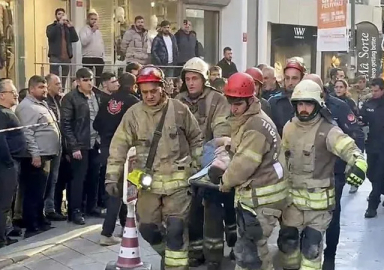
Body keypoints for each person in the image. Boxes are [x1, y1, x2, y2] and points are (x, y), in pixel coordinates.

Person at [105, 65, 203, 270]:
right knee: (148, 229)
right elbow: (119, 146)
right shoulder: (133, 114)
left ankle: (176, 266)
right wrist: (112, 177)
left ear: (162, 88)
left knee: (176, 229)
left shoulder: (178, 110)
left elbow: (196, 138)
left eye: (153, 91)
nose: (149, 96)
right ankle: (169, 256)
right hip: (147, 185)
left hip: (177, 184)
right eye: (144, 92)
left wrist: (196, 167)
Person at [278, 80, 367, 270]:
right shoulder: (289, 128)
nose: (303, 108)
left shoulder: (329, 130)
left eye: (308, 104)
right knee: (288, 247)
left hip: (317, 209)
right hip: (292, 204)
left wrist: (359, 165)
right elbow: (280, 160)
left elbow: (351, 149)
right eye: (300, 104)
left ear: (318, 104)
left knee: (311, 250)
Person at [218, 72, 287, 270]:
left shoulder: (256, 125)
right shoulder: (250, 118)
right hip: (256, 198)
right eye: (230, 102)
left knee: (250, 254)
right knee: (256, 250)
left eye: (238, 103)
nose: (233, 108)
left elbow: (244, 165)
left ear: (250, 99)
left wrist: (224, 181)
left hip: (261, 200)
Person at [175, 57, 236, 269]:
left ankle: (213, 257)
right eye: (188, 79)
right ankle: (195, 252)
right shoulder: (178, 100)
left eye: (195, 78)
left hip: (210, 163)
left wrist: (213, 159)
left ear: (204, 79)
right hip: (185, 165)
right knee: (190, 212)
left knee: (212, 210)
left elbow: (221, 129)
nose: (191, 83)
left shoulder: (217, 100)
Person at [302, 74, 365, 270]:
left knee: (331, 216)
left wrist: (354, 162)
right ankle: (308, 254)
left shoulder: (338, 106)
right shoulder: (299, 104)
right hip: (305, 172)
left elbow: (355, 134)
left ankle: (330, 257)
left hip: (333, 173)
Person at [94, 72, 139, 246]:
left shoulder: (107, 101)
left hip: (106, 148)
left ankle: (125, 226)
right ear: (134, 86)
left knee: (115, 189)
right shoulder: (134, 103)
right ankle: (107, 233)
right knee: (120, 192)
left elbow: (96, 124)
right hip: (125, 151)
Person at [16, 76, 61, 238]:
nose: (44, 90)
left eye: (45, 87)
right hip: (36, 157)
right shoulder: (27, 107)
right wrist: (34, 154)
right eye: (41, 87)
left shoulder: (40, 104)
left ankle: (40, 220)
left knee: (40, 192)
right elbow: (27, 133)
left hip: (46, 155)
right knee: (33, 193)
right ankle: (31, 226)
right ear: (32, 89)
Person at [61, 68, 102, 225]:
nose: (89, 82)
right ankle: (75, 211)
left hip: (95, 142)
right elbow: (65, 124)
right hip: (80, 144)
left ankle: (91, 207)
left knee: (94, 176)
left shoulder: (96, 95)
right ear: (78, 81)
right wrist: (74, 146)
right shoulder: (70, 98)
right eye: (85, 80)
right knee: (78, 179)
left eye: (91, 79)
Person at [0, 79, 26, 248]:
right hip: (6, 165)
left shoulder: (7, 111)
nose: (16, 94)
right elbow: (1, 139)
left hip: (11, 162)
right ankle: (2, 238)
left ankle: (6, 232)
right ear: (2, 95)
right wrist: (9, 161)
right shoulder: (2, 114)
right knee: (4, 203)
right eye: (12, 92)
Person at [360, 78, 384, 218]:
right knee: (371, 172)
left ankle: (372, 206)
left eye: (376, 91)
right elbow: (363, 118)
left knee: (379, 173)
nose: (374, 93)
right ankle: (380, 189)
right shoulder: (369, 104)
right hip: (372, 145)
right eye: (372, 90)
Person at [44, 74, 66, 221]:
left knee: (55, 179)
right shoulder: (45, 102)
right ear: (48, 85)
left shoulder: (59, 100)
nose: (60, 86)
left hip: (59, 145)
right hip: (46, 148)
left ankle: (52, 208)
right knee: (47, 179)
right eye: (57, 84)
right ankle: (46, 209)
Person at [268, 59, 304, 136]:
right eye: (287, 78)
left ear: (301, 79)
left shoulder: (309, 102)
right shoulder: (274, 102)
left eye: (294, 78)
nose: (290, 82)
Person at [46, 8, 79, 89]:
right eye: (59, 14)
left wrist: (71, 27)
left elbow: (75, 39)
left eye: (63, 14)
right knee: (54, 78)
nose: (61, 16)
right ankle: (53, 92)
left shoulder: (67, 27)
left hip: (66, 57)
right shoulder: (51, 27)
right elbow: (50, 35)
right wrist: (58, 25)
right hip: (55, 57)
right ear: (56, 16)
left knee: (63, 79)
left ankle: (61, 93)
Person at [79, 11, 105, 87]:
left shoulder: (98, 31)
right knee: (87, 77)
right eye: (92, 19)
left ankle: (96, 91)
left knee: (98, 78)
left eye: (96, 19)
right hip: (88, 57)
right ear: (88, 20)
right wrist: (92, 31)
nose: (94, 21)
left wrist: (103, 56)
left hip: (99, 57)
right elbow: (84, 42)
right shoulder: (83, 30)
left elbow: (101, 44)